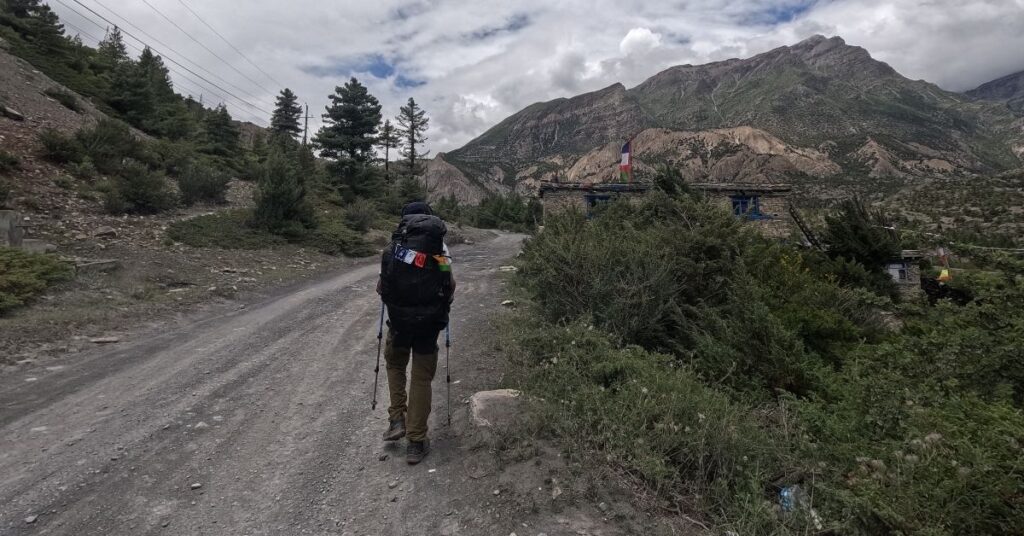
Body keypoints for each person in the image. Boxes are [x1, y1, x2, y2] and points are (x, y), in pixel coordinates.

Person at [376, 201, 456, 464]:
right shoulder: (439, 251)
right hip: (428, 325)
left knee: (395, 364)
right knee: (421, 378)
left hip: (399, 323)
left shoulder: (393, 248)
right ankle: (416, 442)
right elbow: (449, 284)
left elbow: (382, 288)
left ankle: (397, 417)